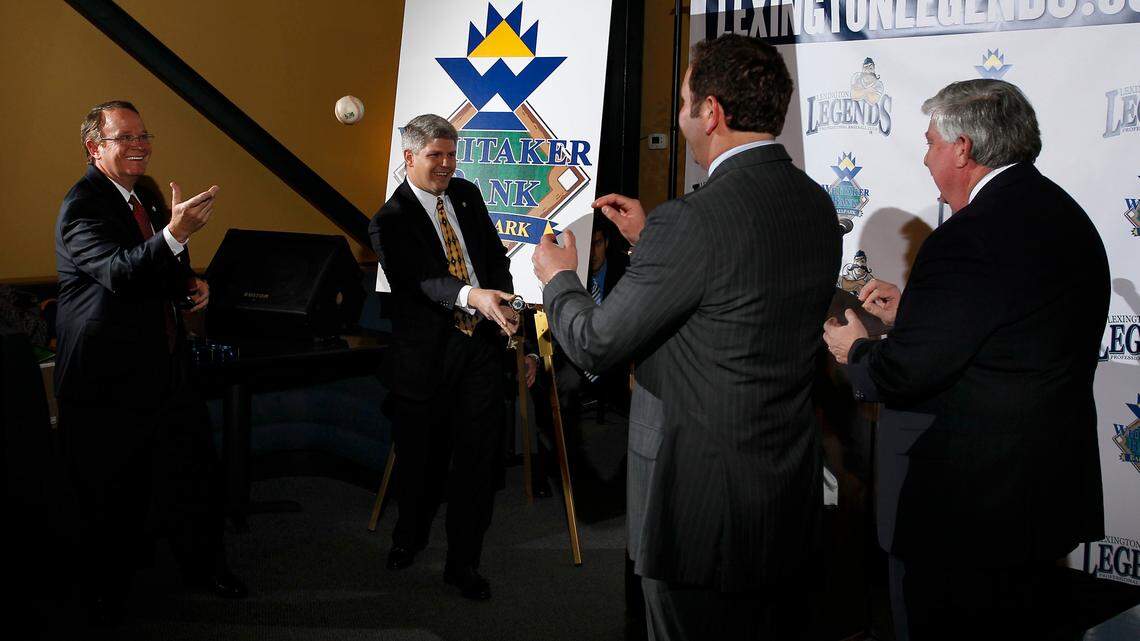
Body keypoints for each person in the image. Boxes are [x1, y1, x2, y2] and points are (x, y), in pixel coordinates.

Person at [532, 34, 841, 639]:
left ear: (711, 112)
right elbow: (738, 296)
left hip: (700, 505)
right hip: (783, 491)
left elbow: (594, 342)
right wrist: (654, 243)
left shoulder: (692, 220)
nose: (677, 118)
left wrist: (560, 278)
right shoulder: (813, 203)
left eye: (681, 103)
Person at [823, 79, 1109, 640]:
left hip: (968, 515)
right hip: (1043, 497)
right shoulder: (1065, 215)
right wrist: (917, 313)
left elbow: (906, 372)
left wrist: (855, 349)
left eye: (931, 143)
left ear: (962, 149)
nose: (925, 158)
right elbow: (1011, 330)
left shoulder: (967, 237)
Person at [54, 100, 244, 625]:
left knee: (193, 469)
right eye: (125, 137)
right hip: (106, 373)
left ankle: (206, 567)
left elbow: (163, 267)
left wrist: (191, 286)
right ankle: (104, 595)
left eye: (144, 135)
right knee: (109, 488)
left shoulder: (150, 194)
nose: (140, 145)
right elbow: (118, 272)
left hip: (166, 360)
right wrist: (176, 234)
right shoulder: (82, 205)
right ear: (95, 148)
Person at [369, 114, 519, 601]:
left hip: (480, 352)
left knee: (477, 465)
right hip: (426, 360)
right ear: (409, 157)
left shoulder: (468, 195)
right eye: (435, 155)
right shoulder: (389, 221)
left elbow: (494, 259)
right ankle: (409, 537)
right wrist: (474, 297)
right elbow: (423, 280)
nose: (446, 165)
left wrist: (508, 310)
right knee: (421, 467)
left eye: (452, 155)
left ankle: (463, 564)